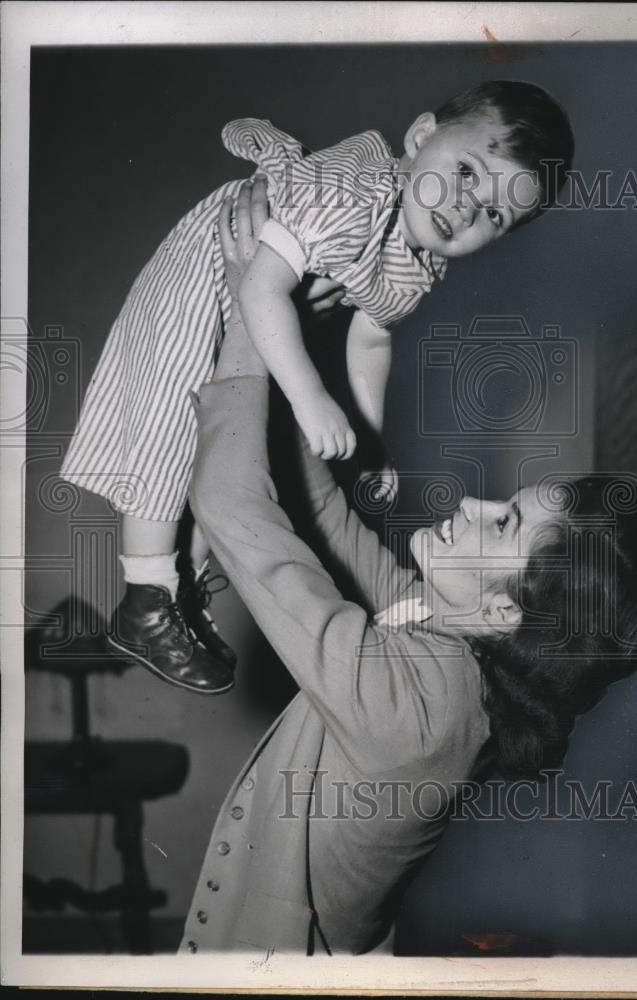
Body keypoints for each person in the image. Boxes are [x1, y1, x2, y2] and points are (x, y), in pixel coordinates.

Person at [178, 179, 637, 955]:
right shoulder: (449, 643)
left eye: (502, 523)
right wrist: (292, 345)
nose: (473, 506)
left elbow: (233, 510)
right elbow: (326, 521)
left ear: (510, 612)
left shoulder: (421, 710)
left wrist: (248, 313)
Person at [58, 80, 574, 695]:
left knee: (225, 452)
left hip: (260, 307)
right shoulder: (351, 189)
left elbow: (371, 338)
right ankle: (144, 597)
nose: (465, 209)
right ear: (419, 137)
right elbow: (259, 287)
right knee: (172, 425)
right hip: (208, 274)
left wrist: (369, 439)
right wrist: (309, 398)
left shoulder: (417, 260)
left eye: (493, 214)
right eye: (466, 172)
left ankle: (181, 595)